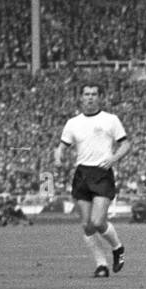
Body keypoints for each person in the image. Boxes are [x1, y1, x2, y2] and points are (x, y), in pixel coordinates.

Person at [55, 83, 130, 277]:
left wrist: (113, 158)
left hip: (102, 173)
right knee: (87, 225)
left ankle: (118, 248)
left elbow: (125, 144)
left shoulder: (110, 120)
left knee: (98, 221)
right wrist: (58, 156)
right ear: (81, 97)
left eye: (94, 94)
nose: (90, 97)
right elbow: (62, 146)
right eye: (86, 94)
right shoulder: (73, 123)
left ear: (100, 97)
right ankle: (101, 265)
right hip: (82, 174)